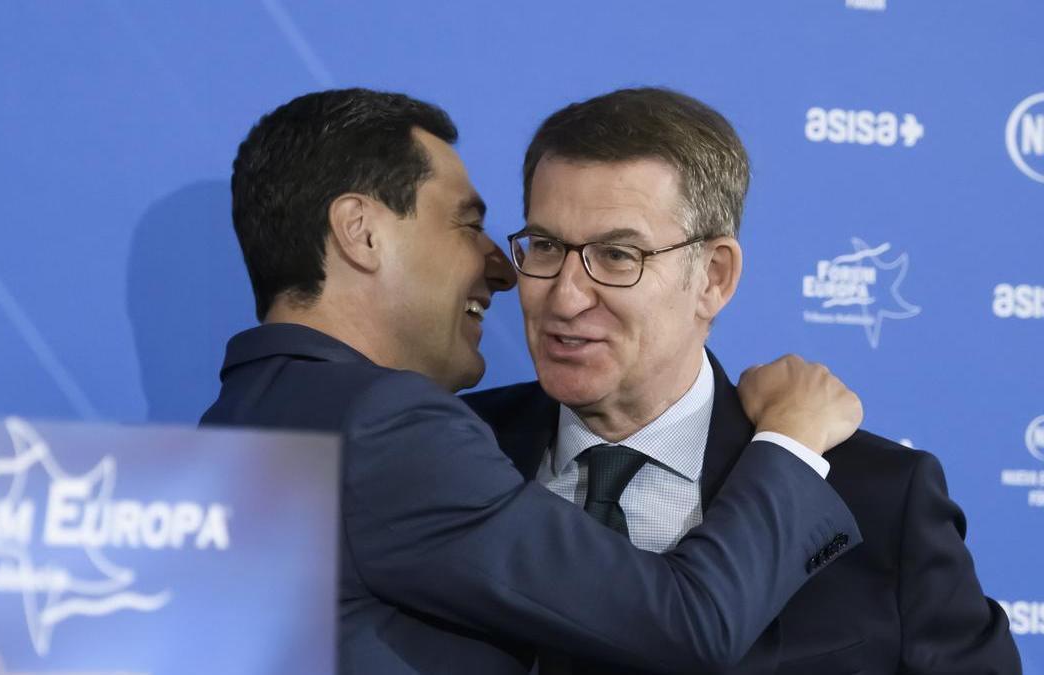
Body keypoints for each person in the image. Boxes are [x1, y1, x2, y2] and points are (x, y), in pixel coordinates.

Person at [201, 88, 864, 675]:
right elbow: (691, 623)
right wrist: (793, 441)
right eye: (467, 223)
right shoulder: (388, 426)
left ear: (713, 277)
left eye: (616, 254)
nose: (500, 264)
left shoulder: (232, 421)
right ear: (361, 233)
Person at [465, 87, 1020, 674]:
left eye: (618, 256)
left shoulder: (877, 500)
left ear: (714, 277)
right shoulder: (443, 453)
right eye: (547, 246)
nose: (567, 296)